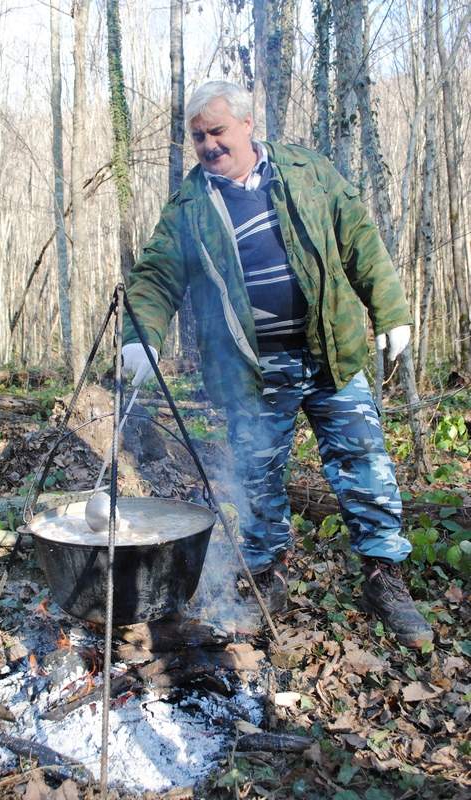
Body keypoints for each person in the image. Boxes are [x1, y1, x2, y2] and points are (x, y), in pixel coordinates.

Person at [121, 80, 433, 649]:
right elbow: (157, 274)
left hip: (330, 351)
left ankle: (384, 578)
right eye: (198, 137)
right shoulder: (189, 206)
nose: (210, 145)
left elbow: (358, 235)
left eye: (217, 131)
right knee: (256, 479)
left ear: (246, 124)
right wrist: (141, 337)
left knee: (364, 465)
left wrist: (389, 309)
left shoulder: (306, 172)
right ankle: (266, 577)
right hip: (252, 370)